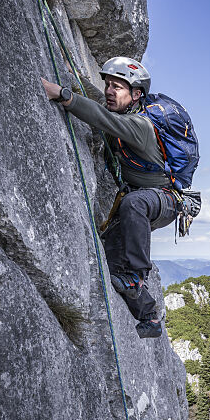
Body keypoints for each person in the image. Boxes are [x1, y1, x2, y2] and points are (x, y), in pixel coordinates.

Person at [41, 57, 178, 339]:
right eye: (108, 85)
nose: (109, 91)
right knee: (114, 260)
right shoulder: (122, 116)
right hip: (139, 200)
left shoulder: (140, 126)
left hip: (164, 200)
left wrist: (63, 94)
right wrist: (74, 75)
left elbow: (102, 118)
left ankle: (138, 275)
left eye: (118, 87)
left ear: (136, 95)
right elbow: (101, 107)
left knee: (135, 203)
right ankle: (149, 317)